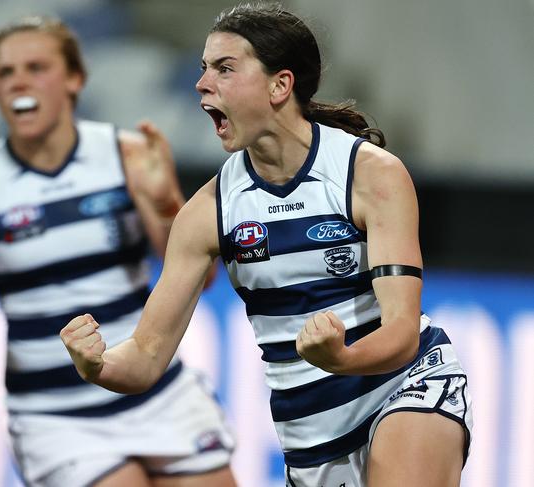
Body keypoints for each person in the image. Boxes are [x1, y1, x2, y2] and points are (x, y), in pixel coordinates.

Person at [61, 3, 474, 487]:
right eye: (203, 68)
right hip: (310, 438)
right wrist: (96, 365)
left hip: (404, 383)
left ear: (280, 85)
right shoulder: (207, 213)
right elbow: (146, 358)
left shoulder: (370, 174)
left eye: (224, 68)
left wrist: (338, 358)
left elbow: (402, 332)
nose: (201, 83)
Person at [0, 15, 236, 487]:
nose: (19, 82)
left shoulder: (130, 156)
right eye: (5, 73)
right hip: (57, 418)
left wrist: (165, 203)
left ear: (74, 79)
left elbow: (202, 278)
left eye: (35, 67)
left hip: (155, 389)